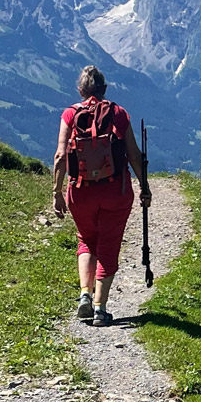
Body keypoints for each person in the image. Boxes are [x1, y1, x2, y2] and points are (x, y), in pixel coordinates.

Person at [53, 65, 151, 325]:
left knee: (86, 239)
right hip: (114, 191)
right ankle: (100, 308)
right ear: (104, 90)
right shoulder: (118, 113)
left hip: (80, 191)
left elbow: (61, 156)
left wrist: (57, 192)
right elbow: (134, 155)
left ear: (80, 90)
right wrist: (145, 187)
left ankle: (85, 294)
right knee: (108, 244)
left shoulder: (69, 115)